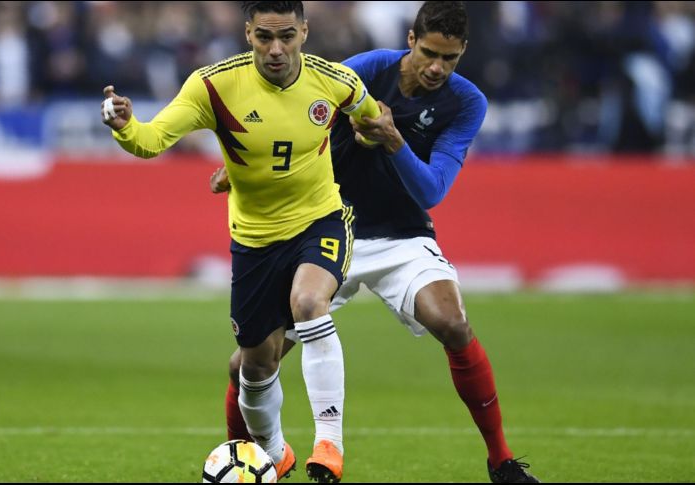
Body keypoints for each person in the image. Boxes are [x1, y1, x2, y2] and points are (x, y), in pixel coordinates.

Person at [213, 2, 539, 483]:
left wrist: (393, 140)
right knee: (248, 360)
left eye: (448, 59)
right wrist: (246, 170)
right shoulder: (364, 71)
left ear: (463, 52)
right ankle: (246, 461)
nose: (436, 68)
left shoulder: (467, 103)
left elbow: (432, 190)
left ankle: (502, 460)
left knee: (452, 322)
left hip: (402, 235)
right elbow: (295, 124)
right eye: (429, 53)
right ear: (411, 39)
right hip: (326, 229)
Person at [101, 1, 381, 481]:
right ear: (247, 32)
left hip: (321, 219)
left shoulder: (336, 81)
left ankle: (329, 444)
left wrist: (369, 143)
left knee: (310, 303)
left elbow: (371, 124)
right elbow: (151, 141)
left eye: (287, 37)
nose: (276, 50)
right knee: (254, 364)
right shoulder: (213, 86)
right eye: (264, 37)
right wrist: (127, 125)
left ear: (305, 32)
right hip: (253, 240)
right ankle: (275, 451)